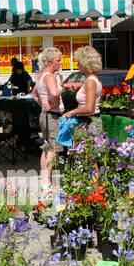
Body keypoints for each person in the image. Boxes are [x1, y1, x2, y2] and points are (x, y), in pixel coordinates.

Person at [32, 46, 64, 188]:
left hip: (45, 114)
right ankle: (46, 181)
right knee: (53, 148)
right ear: (50, 62)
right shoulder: (50, 76)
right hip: (52, 115)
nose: (61, 63)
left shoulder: (41, 75)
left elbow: (34, 93)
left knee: (46, 147)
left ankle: (43, 179)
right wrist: (55, 103)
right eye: (58, 60)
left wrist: (43, 104)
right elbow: (55, 93)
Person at [62, 45, 104, 138]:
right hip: (90, 120)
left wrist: (71, 112)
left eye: (79, 63)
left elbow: (88, 108)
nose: (77, 65)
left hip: (88, 122)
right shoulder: (92, 79)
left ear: (86, 64)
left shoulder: (90, 81)